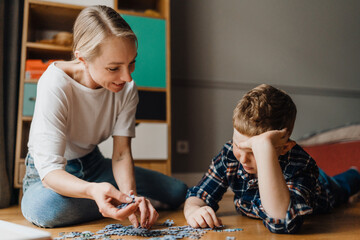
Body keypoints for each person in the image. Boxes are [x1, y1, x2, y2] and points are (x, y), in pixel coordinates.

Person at [21, 5, 187, 228]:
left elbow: (120, 154)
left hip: (94, 164)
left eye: (132, 63)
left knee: (179, 192)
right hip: (50, 175)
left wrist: (130, 197)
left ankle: (110, 200)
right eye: (113, 68)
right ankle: (104, 200)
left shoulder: (127, 89)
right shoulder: (55, 83)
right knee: (48, 210)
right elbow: (50, 172)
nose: (127, 77)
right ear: (82, 59)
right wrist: (92, 189)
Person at [184, 84, 360, 234]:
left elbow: (284, 222)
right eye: (239, 145)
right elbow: (199, 194)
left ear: (284, 147)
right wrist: (193, 209)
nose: (243, 158)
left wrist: (263, 148)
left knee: (343, 187)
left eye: (253, 151)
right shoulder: (229, 155)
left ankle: (355, 173)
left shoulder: (301, 165)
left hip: (322, 189)